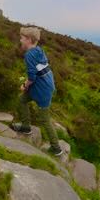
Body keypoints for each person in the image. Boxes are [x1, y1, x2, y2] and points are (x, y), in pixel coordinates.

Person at [10, 27, 65, 157]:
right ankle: (26, 126)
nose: (20, 40)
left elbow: (32, 77)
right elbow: (37, 70)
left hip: (43, 88)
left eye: (22, 38)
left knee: (44, 119)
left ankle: (56, 148)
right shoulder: (38, 50)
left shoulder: (29, 54)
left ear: (29, 40)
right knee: (22, 100)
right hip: (44, 84)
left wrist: (24, 85)